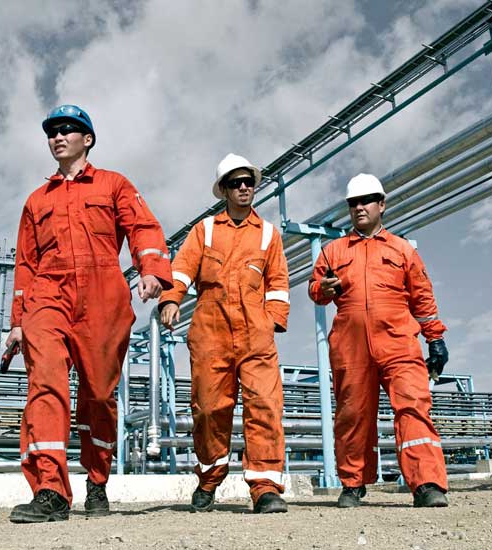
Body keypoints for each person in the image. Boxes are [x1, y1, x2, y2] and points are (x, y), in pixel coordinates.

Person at [6, 104, 172, 523]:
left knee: (98, 396)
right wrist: (18, 322)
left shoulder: (113, 184)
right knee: (45, 384)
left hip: (102, 296)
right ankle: (50, 491)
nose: (58, 137)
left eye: (68, 130)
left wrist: (151, 269)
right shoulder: (36, 201)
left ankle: (97, 480)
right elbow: (25, 264)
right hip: (48, 294)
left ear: (88, 139)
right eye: (52, 132)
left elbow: (142, 227)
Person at [308, 173, 450, 508]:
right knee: (352, 414)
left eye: (366, 201)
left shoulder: (402, 250)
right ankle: (352, 483)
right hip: (350, 345)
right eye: (353, 203)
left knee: (413, 405)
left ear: (381, 205)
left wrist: (435, 339)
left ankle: (426, 483)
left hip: (398, 340)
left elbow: (423, 298)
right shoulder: (333, 251)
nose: (359, 207)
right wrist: (322, 288)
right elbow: (316, 291)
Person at [159, 154, 290, 514]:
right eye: (236, 183)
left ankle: (265, 488)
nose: (244, 187)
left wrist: (272, 321)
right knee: (209, 410)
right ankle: (208, 478)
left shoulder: (268, 234)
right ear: (224, 190)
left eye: (249, 182)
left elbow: (278, 282)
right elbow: (182, 269)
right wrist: (171, 300)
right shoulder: (204, 231)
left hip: (256, 335)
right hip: (210, 333)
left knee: (265, 405)